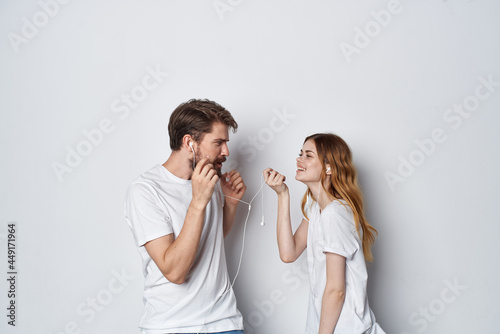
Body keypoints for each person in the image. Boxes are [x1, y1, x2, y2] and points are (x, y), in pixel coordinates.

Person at [124, 99, 246, 334]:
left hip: (225, 322)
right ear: (189, 143)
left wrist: (230, 204)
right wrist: (198, 201)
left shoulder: (208, 179)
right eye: (218, 143)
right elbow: (174, 271)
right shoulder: (145, 191)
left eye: (226, 143)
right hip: (172, 326)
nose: (226, 152)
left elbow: (209, 239)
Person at [263, 133, 385, 334]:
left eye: (308, 155)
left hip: (345, 329)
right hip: (327, 326)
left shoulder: (335, 214)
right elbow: (288, 253)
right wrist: (282, 194)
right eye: (300, 153)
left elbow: (336, 290)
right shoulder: (316, 207)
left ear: (329, 167)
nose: (299, 159)